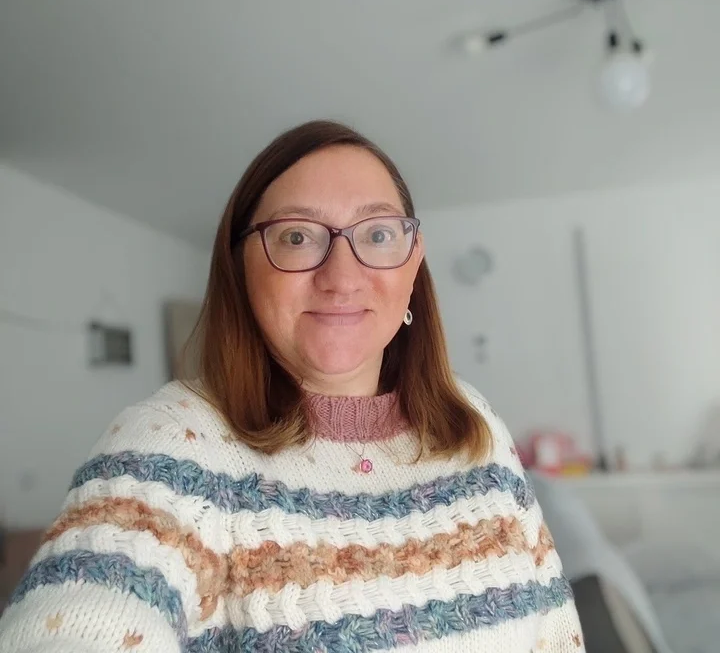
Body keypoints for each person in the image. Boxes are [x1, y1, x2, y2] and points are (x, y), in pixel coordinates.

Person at [0, 121, 584, 652]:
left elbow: (558, 635)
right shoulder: (172, 440)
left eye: (378, 234)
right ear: (241, 268)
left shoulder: (475, 420)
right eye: (298, 237)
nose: (342, 277)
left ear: (413, 263)